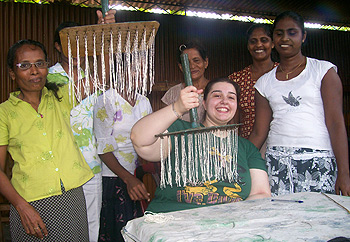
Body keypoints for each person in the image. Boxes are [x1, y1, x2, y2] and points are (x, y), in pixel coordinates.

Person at [131, 77, 271, 213]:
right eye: (217, 95)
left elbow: (261, 193)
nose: (224, 101)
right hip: (174, 219)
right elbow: (139, 140)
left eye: (231, 97)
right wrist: (177, 108)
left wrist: (230, 215)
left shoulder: (247, 148)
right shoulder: (180, 131)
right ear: (203, 103)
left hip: (227, 224)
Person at [0, 39, 93, 241]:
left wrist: (104, 32)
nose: (34, 71)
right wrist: (21, 206)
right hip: (30, 203)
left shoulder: (61, 97)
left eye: (40, 64)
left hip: (71, 198)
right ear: (11, 73)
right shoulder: (4, 113)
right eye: (24, 65)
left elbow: (101, 76)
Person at [249, 11, 350, 196]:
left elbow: (336, 123)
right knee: (283, 219)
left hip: (318, 158)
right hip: (277, 160)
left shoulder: (323, 71)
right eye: (279, 33)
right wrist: (239, 160)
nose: (285, 38)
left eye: (292, 32)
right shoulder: (264, 83)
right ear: (273, 39)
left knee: (319, 218)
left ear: (303, 36)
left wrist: (344, 173)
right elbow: (258, 132)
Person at [47, 10, 116, 242]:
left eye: (80, 42)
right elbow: (86, 86)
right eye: (68, 43)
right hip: (61, 169)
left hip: (90, 167)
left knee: (92, 225)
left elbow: (103, 77)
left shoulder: (91, 75)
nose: (75, 48)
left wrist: (104, 33)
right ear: (57, 46)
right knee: (62, 227)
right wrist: (103, 34)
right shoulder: (48, 78)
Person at [93, 88, 152, 241]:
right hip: (113, 177)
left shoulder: (143, 101)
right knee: (119, 234)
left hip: (137, 177)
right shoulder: (107, 100)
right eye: (133, 69)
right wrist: (128, 179)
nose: (138, 75)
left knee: (138, 232)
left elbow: (150, 140)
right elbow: (103, 149)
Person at [229, 24, 278, 139]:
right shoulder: (236, 79)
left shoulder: (284, 74)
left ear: (273, 44)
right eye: (253, 41)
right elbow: (233, 122)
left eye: (264, 40)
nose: (259, 45)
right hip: (249, 145)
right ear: (248, 46)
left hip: (280, 145)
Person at [161, 41, 209, 122]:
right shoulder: (172, 93)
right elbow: (163, 123)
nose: (192, 66)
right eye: (186, 62)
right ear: (181, 67)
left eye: (196, 60)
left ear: (206, 62)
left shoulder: (216, 90)